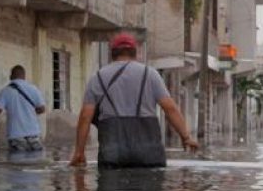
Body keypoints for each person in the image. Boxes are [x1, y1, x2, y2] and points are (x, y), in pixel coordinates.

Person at [70, 32, 197, 168]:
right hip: (148, 153)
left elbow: (85, 117)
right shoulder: (151, 75)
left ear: (112, 53)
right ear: (135, 53)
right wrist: (186, 137)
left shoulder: (97, 78)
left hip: (112, 153)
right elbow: (170, 109)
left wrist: (79, 152)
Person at [0, 65, 47, 153]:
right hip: (34, 135)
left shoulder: (6, 91)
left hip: (16, 136)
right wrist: (28, 112)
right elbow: (42, 109)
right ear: (24, 76)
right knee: (34, 164)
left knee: (17, 164)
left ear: (11, 76)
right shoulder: (34, 89)